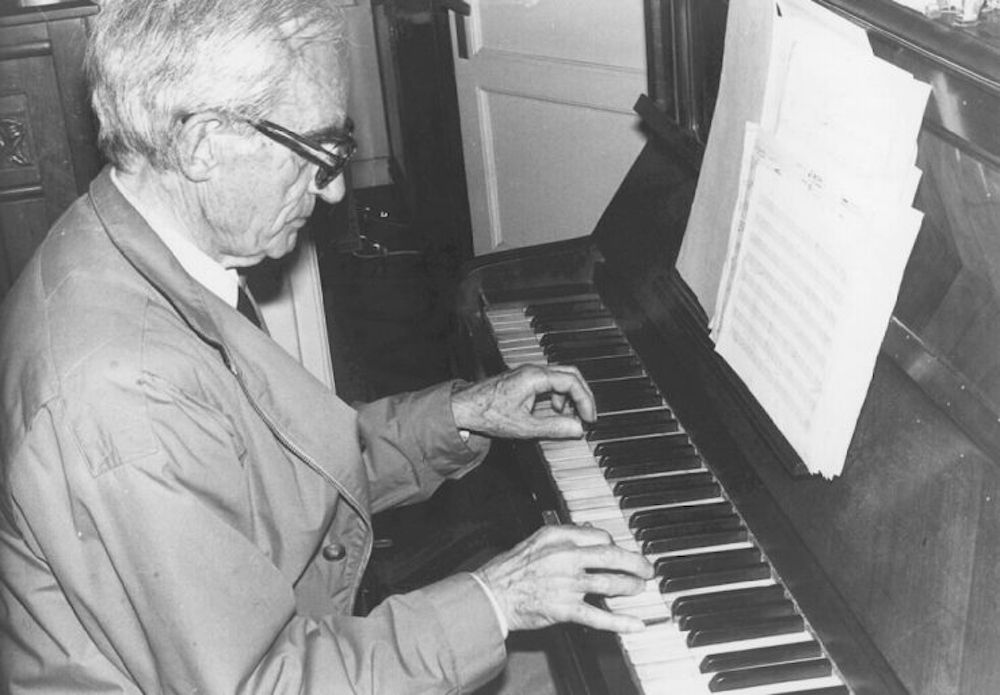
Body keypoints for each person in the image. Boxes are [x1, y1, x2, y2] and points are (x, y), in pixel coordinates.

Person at [0, 1, 654, 693]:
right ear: (202, 145)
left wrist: (462, 415)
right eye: (317, 152)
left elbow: (277, 467)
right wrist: (497, 599)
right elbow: (261, 685)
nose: (337, 188)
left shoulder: (142, 249)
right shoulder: (123, 386)